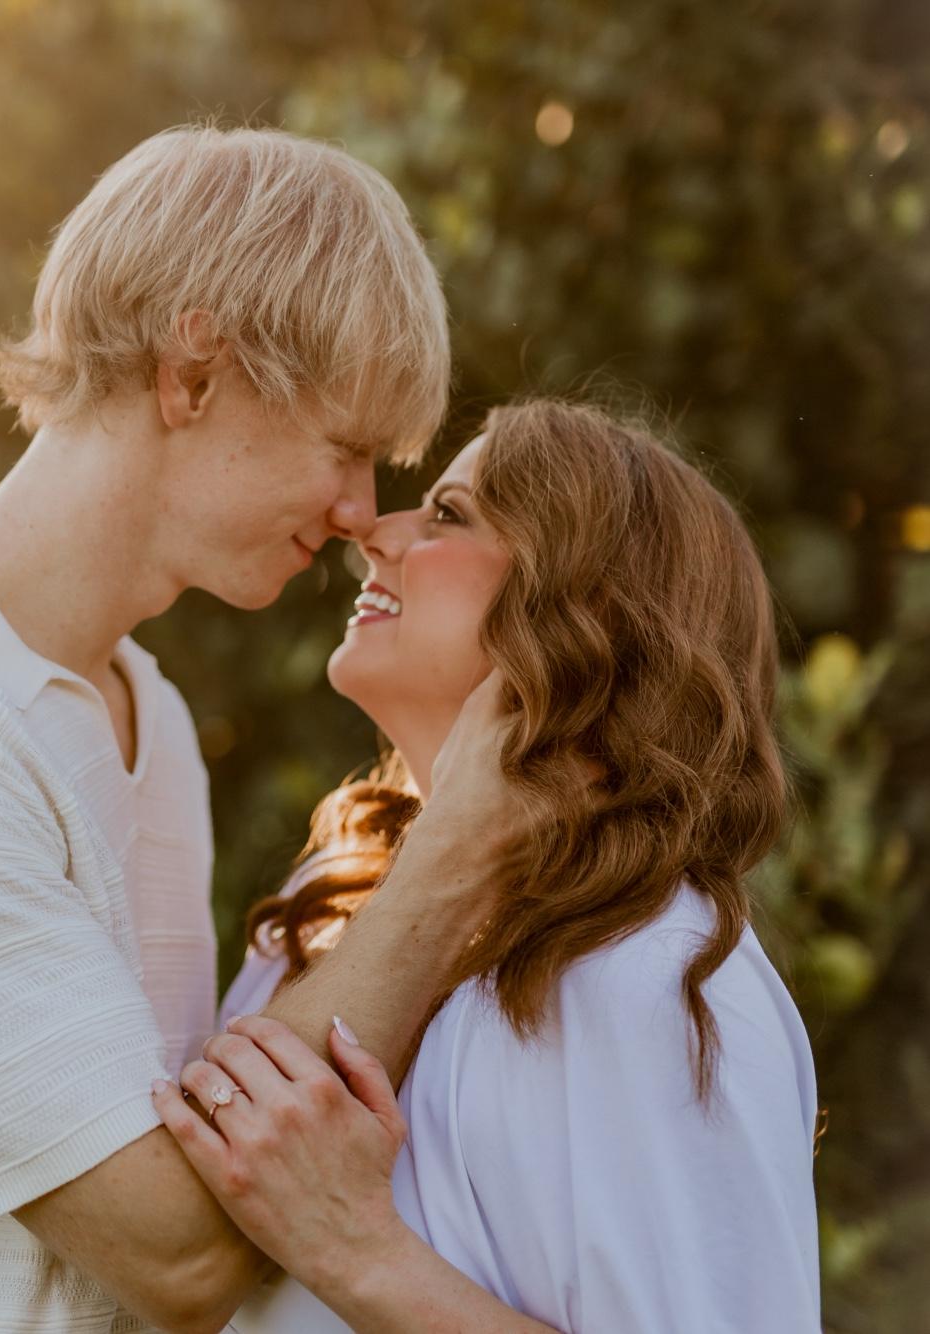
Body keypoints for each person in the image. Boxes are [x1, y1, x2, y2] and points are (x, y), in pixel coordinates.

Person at [0, 123, 532, 1334]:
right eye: (345, 448)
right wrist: (454, 859)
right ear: (191, 371)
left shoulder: (148, 713)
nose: (360, 512)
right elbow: (179, 1252)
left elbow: (178, 1140)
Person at [155, 399, 823, 1332]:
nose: (373, 533)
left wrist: (356, 1249)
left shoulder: (650, 972)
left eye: (449, 514)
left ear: (587, 615)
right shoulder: (325, 905)